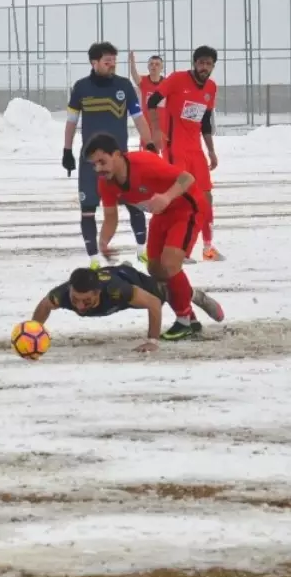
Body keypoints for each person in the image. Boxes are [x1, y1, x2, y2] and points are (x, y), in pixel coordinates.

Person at [83, 132, 224, 340]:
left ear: (117, 155)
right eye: (94, 165)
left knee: (170, 264)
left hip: (188, 208)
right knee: (155, 270)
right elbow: (110, 218)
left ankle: (183, 321)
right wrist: (103, 241)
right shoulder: (106, 183)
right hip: (162, 214)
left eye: (102, 162)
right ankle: (192, 304)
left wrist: (166, 197)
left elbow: (187, 178)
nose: (99, 169)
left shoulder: (144, 162)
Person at [63, 41, 157, 270]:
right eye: (107, 62)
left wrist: (151, 144)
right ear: (94, 63)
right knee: (88, 210)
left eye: (114, 61)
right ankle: (94, 260)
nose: (112, 65)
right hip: (90, 163)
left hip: (120, 161)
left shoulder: (124, 86)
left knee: (134, 203)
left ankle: (142, 251)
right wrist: (66, 150)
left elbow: (138, 118)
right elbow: (71, 122)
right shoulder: (81, 88)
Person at [30, 262, 224, 352]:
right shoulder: (62, 294)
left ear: (97, 293)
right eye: (75, 299)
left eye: (86, 301)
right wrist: (33, 333)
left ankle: (196, 296)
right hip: (105, 274)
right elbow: (44, 306)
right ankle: (192, 320)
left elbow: (154, 305)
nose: (80, 306)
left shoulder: (117, 290)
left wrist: (152, 341)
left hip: (128, 278)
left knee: (165, 293)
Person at [146, 45, 222, 261]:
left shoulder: (211, 88)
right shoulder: (177, 79)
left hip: (195, 150)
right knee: (177, 198)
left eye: (208, 64)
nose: (204, 67)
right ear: (194, 63)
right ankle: (162, 249)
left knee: (206, 197)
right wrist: (157, 130)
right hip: (174, 148)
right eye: (201, 62)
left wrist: (211, 151)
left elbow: (205, 122)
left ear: (213, 66)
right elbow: (152, 102)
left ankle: (208, 247)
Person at [129, 51, 167, 151]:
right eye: (151, 64)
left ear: (162, 67)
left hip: (162, 128)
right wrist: (132, 64)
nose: (154, 66)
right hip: (147, 128)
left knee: (163, 160)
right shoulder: (143, 81)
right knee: (147, 157)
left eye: (157, 64)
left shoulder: (167, 83)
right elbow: (134, 76)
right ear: (148, 67)